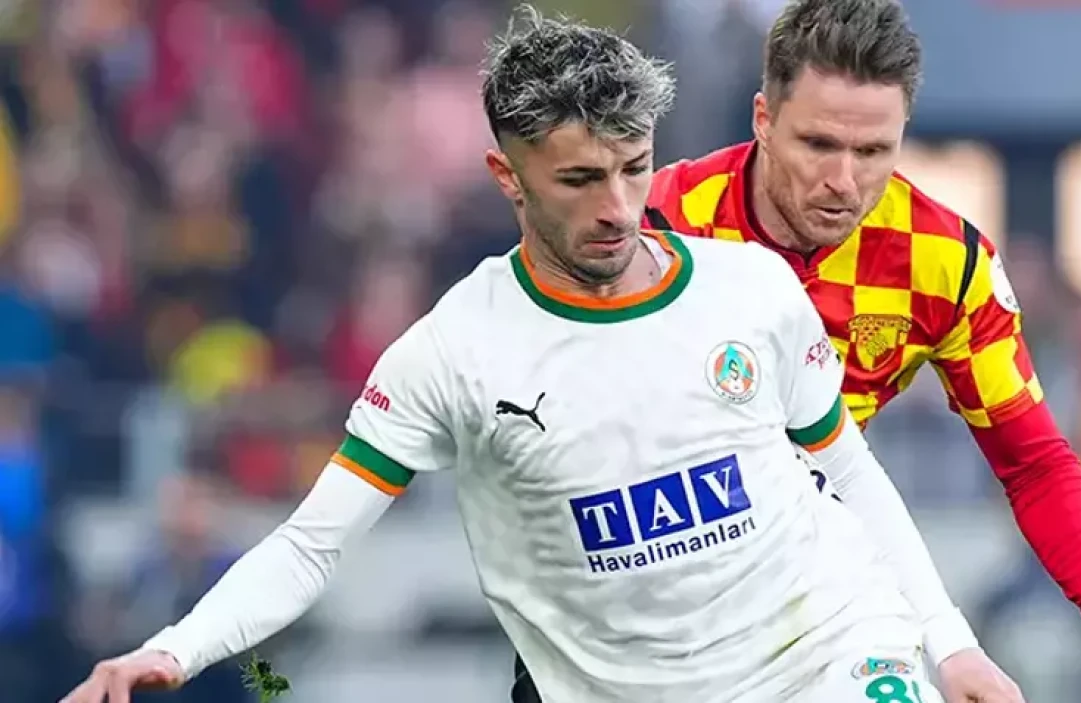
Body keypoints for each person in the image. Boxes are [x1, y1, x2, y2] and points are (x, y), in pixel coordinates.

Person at [59, 9, 1009, 703]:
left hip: (827, 651)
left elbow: (850, 471)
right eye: (580, 178)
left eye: (634, 169)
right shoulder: (455, 351)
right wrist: (174, 649)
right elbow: (314, 543)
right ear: (507, 178)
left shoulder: (751, 290)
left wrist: (948, 641)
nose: (619, 207)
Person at [515, 1, 1081, 702]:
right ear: (763, 120)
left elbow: (1033, 460)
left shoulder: (943, 262)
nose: (843, 181)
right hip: (618, 608)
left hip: (803, 604)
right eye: (818, 144)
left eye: (873, 152)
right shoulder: (657, 226)